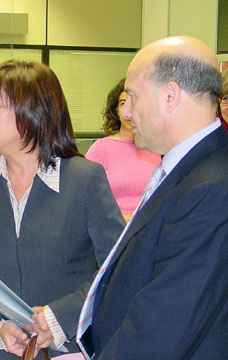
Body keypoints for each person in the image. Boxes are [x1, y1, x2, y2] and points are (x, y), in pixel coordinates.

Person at [0, 60, 125, 360]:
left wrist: (58, 318)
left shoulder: (84, 179)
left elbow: (116, 267)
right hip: (0, 349)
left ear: (31, 110)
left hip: (68, 349)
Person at [77, 36, 228, 359]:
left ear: (170, 95)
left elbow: (165, 322)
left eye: (132, 97)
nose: (126, 111)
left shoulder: (213, 189)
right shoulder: (186, 169)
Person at [86, 79, 161, 221]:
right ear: (116, 110)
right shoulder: (100, 149)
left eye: (135, 103)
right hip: (112, 231)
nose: (129, 110)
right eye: (122, 103)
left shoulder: (158, 147)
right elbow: (84, 198)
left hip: (152, 229)